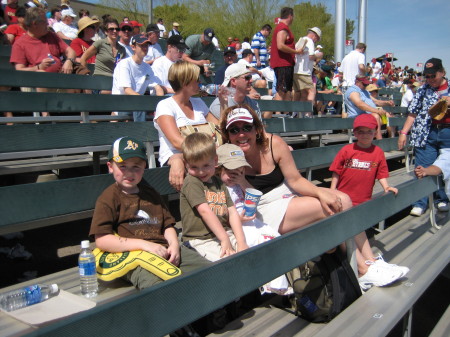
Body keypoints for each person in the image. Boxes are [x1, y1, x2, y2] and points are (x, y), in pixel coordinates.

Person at [89, 136, 210, 290]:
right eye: (123, 166)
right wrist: (144, 245)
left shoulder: (151, 193)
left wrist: (174, 245)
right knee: (157, 288)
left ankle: (214, 311)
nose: (129, 172)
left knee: (208, 270)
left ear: (144, 166)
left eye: (136, 167)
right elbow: (102, 240)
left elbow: (168, 225)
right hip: (134, 257)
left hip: (165, 249)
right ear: (110, 166)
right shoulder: (108, 198)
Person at [219, 104, 352, 236]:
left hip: (286, 193)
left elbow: (295, 179)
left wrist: (319, 192)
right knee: (336, 206)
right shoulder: (224, 156)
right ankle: (344, 252)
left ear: (257, 129)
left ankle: (361, 256)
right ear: (227, 135)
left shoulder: (273, 143)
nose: (241, 134)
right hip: (261, 208)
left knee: (342, 199)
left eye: (247, 127)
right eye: (234, 130)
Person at [329, 114, 409, 290]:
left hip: (362, 199)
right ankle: (364, 268)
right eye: (361, 131)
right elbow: (336, 171)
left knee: (358, 229)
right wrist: (332, 190)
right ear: (355, 133)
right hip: (343, 198)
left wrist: (386, 187)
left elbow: (381, 173)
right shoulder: (347, 150)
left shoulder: (377, 152)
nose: (365, 135)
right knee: (348, 228)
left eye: (369, 131)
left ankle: (371, 261)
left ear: (375, 133)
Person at [217, 143, 291, 294]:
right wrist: (239, 219)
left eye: (239, 171)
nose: (234, 176)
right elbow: (222, 215)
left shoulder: (238, 183)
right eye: (230, 172)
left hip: (251, 221)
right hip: (236, 226)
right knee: (257, 242)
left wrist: (243, 181)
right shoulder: (219, 188)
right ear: (218, 170)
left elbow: (255, 195)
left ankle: (277, 285)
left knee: (274, 238)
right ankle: (266, 283)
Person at [180, 133, 248, 262]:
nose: (201, 172)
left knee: (250, 255)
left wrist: (241, 242)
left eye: (206, 165)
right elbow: (205, 211)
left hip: (224, 233)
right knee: (230, 262)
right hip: (200, 239)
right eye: (194, 167)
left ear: (215, 161)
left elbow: (232, 212)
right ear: (186, 164)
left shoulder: (219, 183)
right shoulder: (192, 182)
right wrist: (224, 239)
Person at [153, 61, 219, 191]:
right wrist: (208, 150)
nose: (199, 82)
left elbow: (217, 127)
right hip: (176, 155)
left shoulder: (198, 102)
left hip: (203, 155)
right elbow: (176, 142)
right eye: (196, 79)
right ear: (185, 82)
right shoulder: (165, 105)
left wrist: (223, 101)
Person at [398, 58, 450, 216]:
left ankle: (442, 199)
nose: (429, 79)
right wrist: (403, 133)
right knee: (422, 167)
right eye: (426, 76)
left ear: (442, 72)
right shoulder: (422, 90)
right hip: (426, 132)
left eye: (433, 75)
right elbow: (412, 113)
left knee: (443, 167)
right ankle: (420, 202)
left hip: (447, 132)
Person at [112, 34, 164, 122]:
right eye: (142, 45)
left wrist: (160, 104)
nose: (145, 48)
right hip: (121, 105)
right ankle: (141, 133)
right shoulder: (125, 64)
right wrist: (143, 101)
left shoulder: (147, 67)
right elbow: (127, 90)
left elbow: (158, 88)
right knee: (140, 105)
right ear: (133, 47)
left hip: (138, 105)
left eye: (146, 45)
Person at [10, 7, 75, 75]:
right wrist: (38, 67)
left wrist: (69, 61)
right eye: (45, 22)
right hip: (36, 80)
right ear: (35, 24)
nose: (47, 24)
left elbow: (70, 51)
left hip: (60, 75)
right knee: (41, 75)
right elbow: (19, 70)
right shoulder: (20, 44)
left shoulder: (51, 35)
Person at [344, 75, 394, 139]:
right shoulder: (353, 91)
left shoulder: (365, 91)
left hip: (368, 115)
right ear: (357, 81)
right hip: (357, 116)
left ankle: (391, 138)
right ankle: (379, 141)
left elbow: (376, 101)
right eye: (364, 83)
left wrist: (387, 102)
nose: (366, 85)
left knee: (388, 115)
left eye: (366, 84)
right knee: (375, 116)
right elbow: (360, 104)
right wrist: (377, 111)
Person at [270, 7, 301, 101]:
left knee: (286, 90)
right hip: (282, 63)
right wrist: (296, 51)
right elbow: (280, 45)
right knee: (281, 91)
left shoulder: (283, 28)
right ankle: (273, 113)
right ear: (290, 16)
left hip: (286, 64)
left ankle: (283, 112)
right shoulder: (282, 28)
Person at [293, 27, 323, 104]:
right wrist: (318, 55)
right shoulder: (309, 41)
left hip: (296, 70)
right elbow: (310, 56)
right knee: (312, 91)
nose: (316, 41)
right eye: (317, 39)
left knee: (302, 93)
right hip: (304, 72)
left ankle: (297, 112)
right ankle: (308, 113)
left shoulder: (301, 40)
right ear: (315, 36)